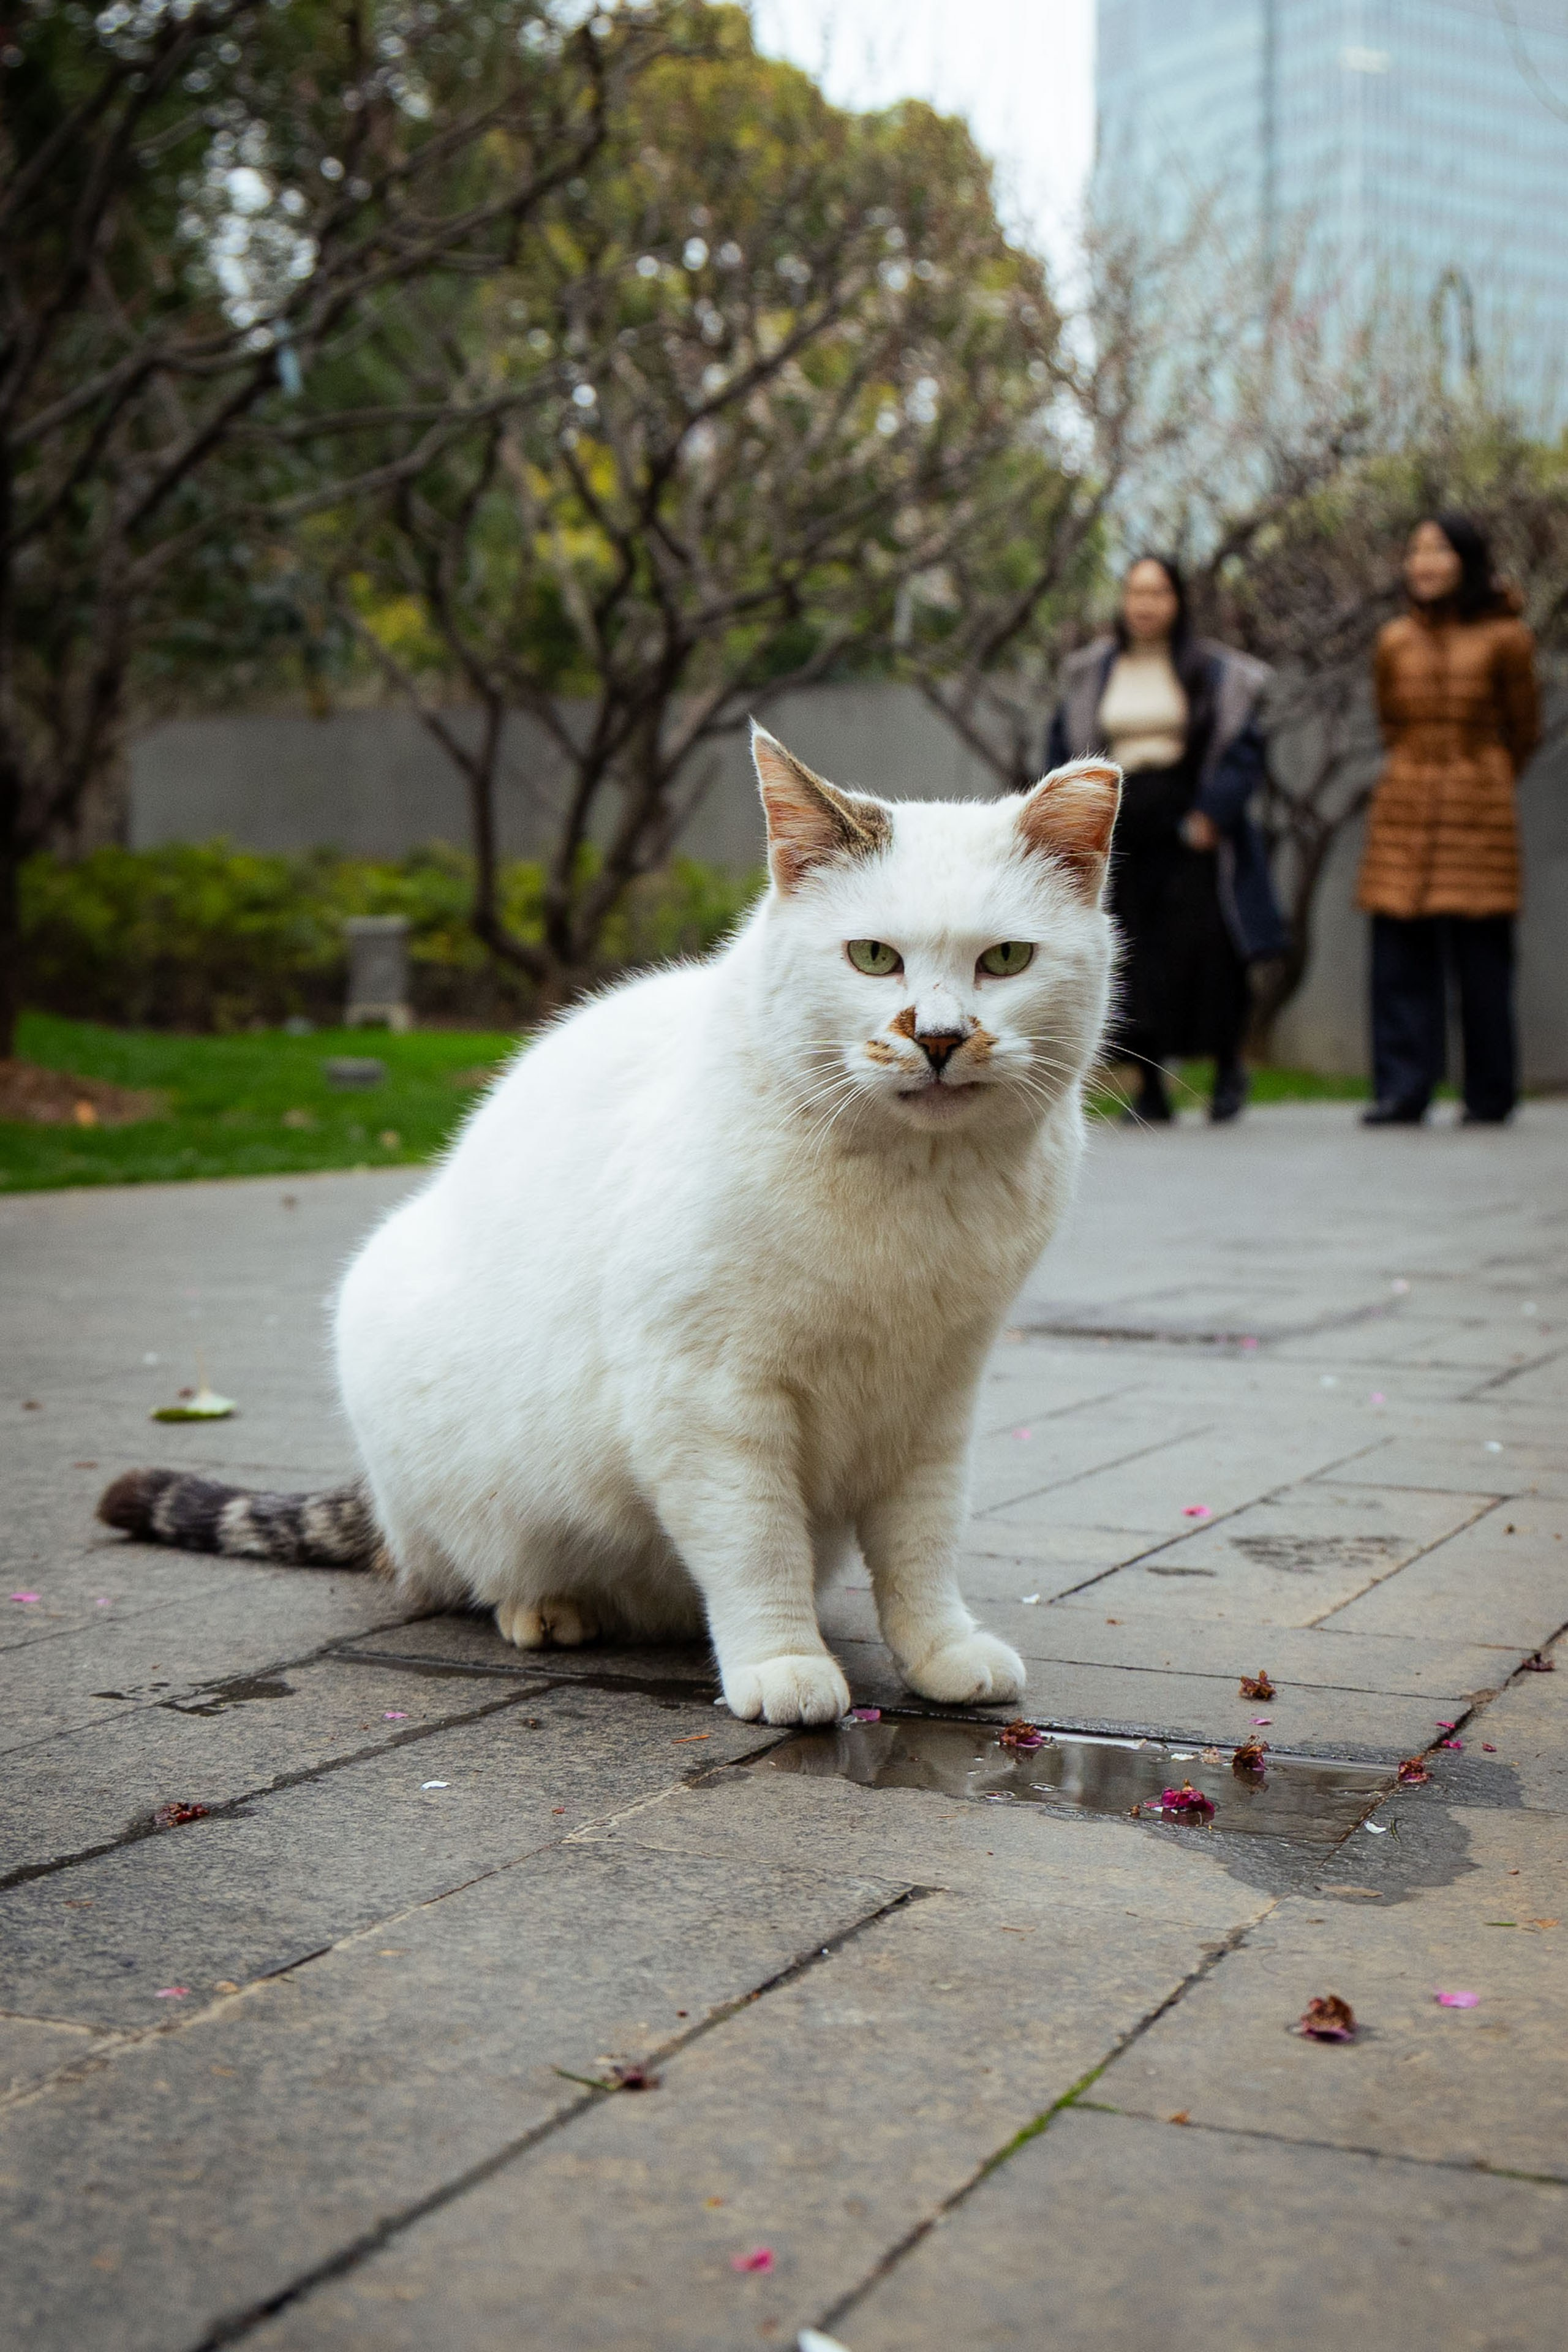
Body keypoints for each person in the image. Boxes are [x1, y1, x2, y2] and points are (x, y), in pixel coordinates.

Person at [1048, 555, 1285, 1123]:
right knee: (1133, 955)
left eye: (1158, 592)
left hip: (1192, 828)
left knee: (1210, 955)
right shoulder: (1092, 672)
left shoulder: (1215, 671)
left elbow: (1240, 752)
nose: (1145, 603)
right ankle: (1150, 1088)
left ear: (1178, 600)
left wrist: (1211, 815)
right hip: (1122, 827)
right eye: (1135, 591)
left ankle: (1229, 1071)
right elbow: (1062, 750)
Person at [1358, 513, 1540, 1126]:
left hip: (1477, 814)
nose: (1424, 562)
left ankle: (1489, 1094)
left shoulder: (1506, 638)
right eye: (1416, 550)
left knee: (1482, 964)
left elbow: (1524, 730)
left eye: (1438, 550)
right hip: (1403, 808)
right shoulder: (1393, 640)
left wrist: (1478, 774)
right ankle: (1401, 1090)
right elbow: (1389, 723)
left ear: (1466, 559)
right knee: (1398, 962)